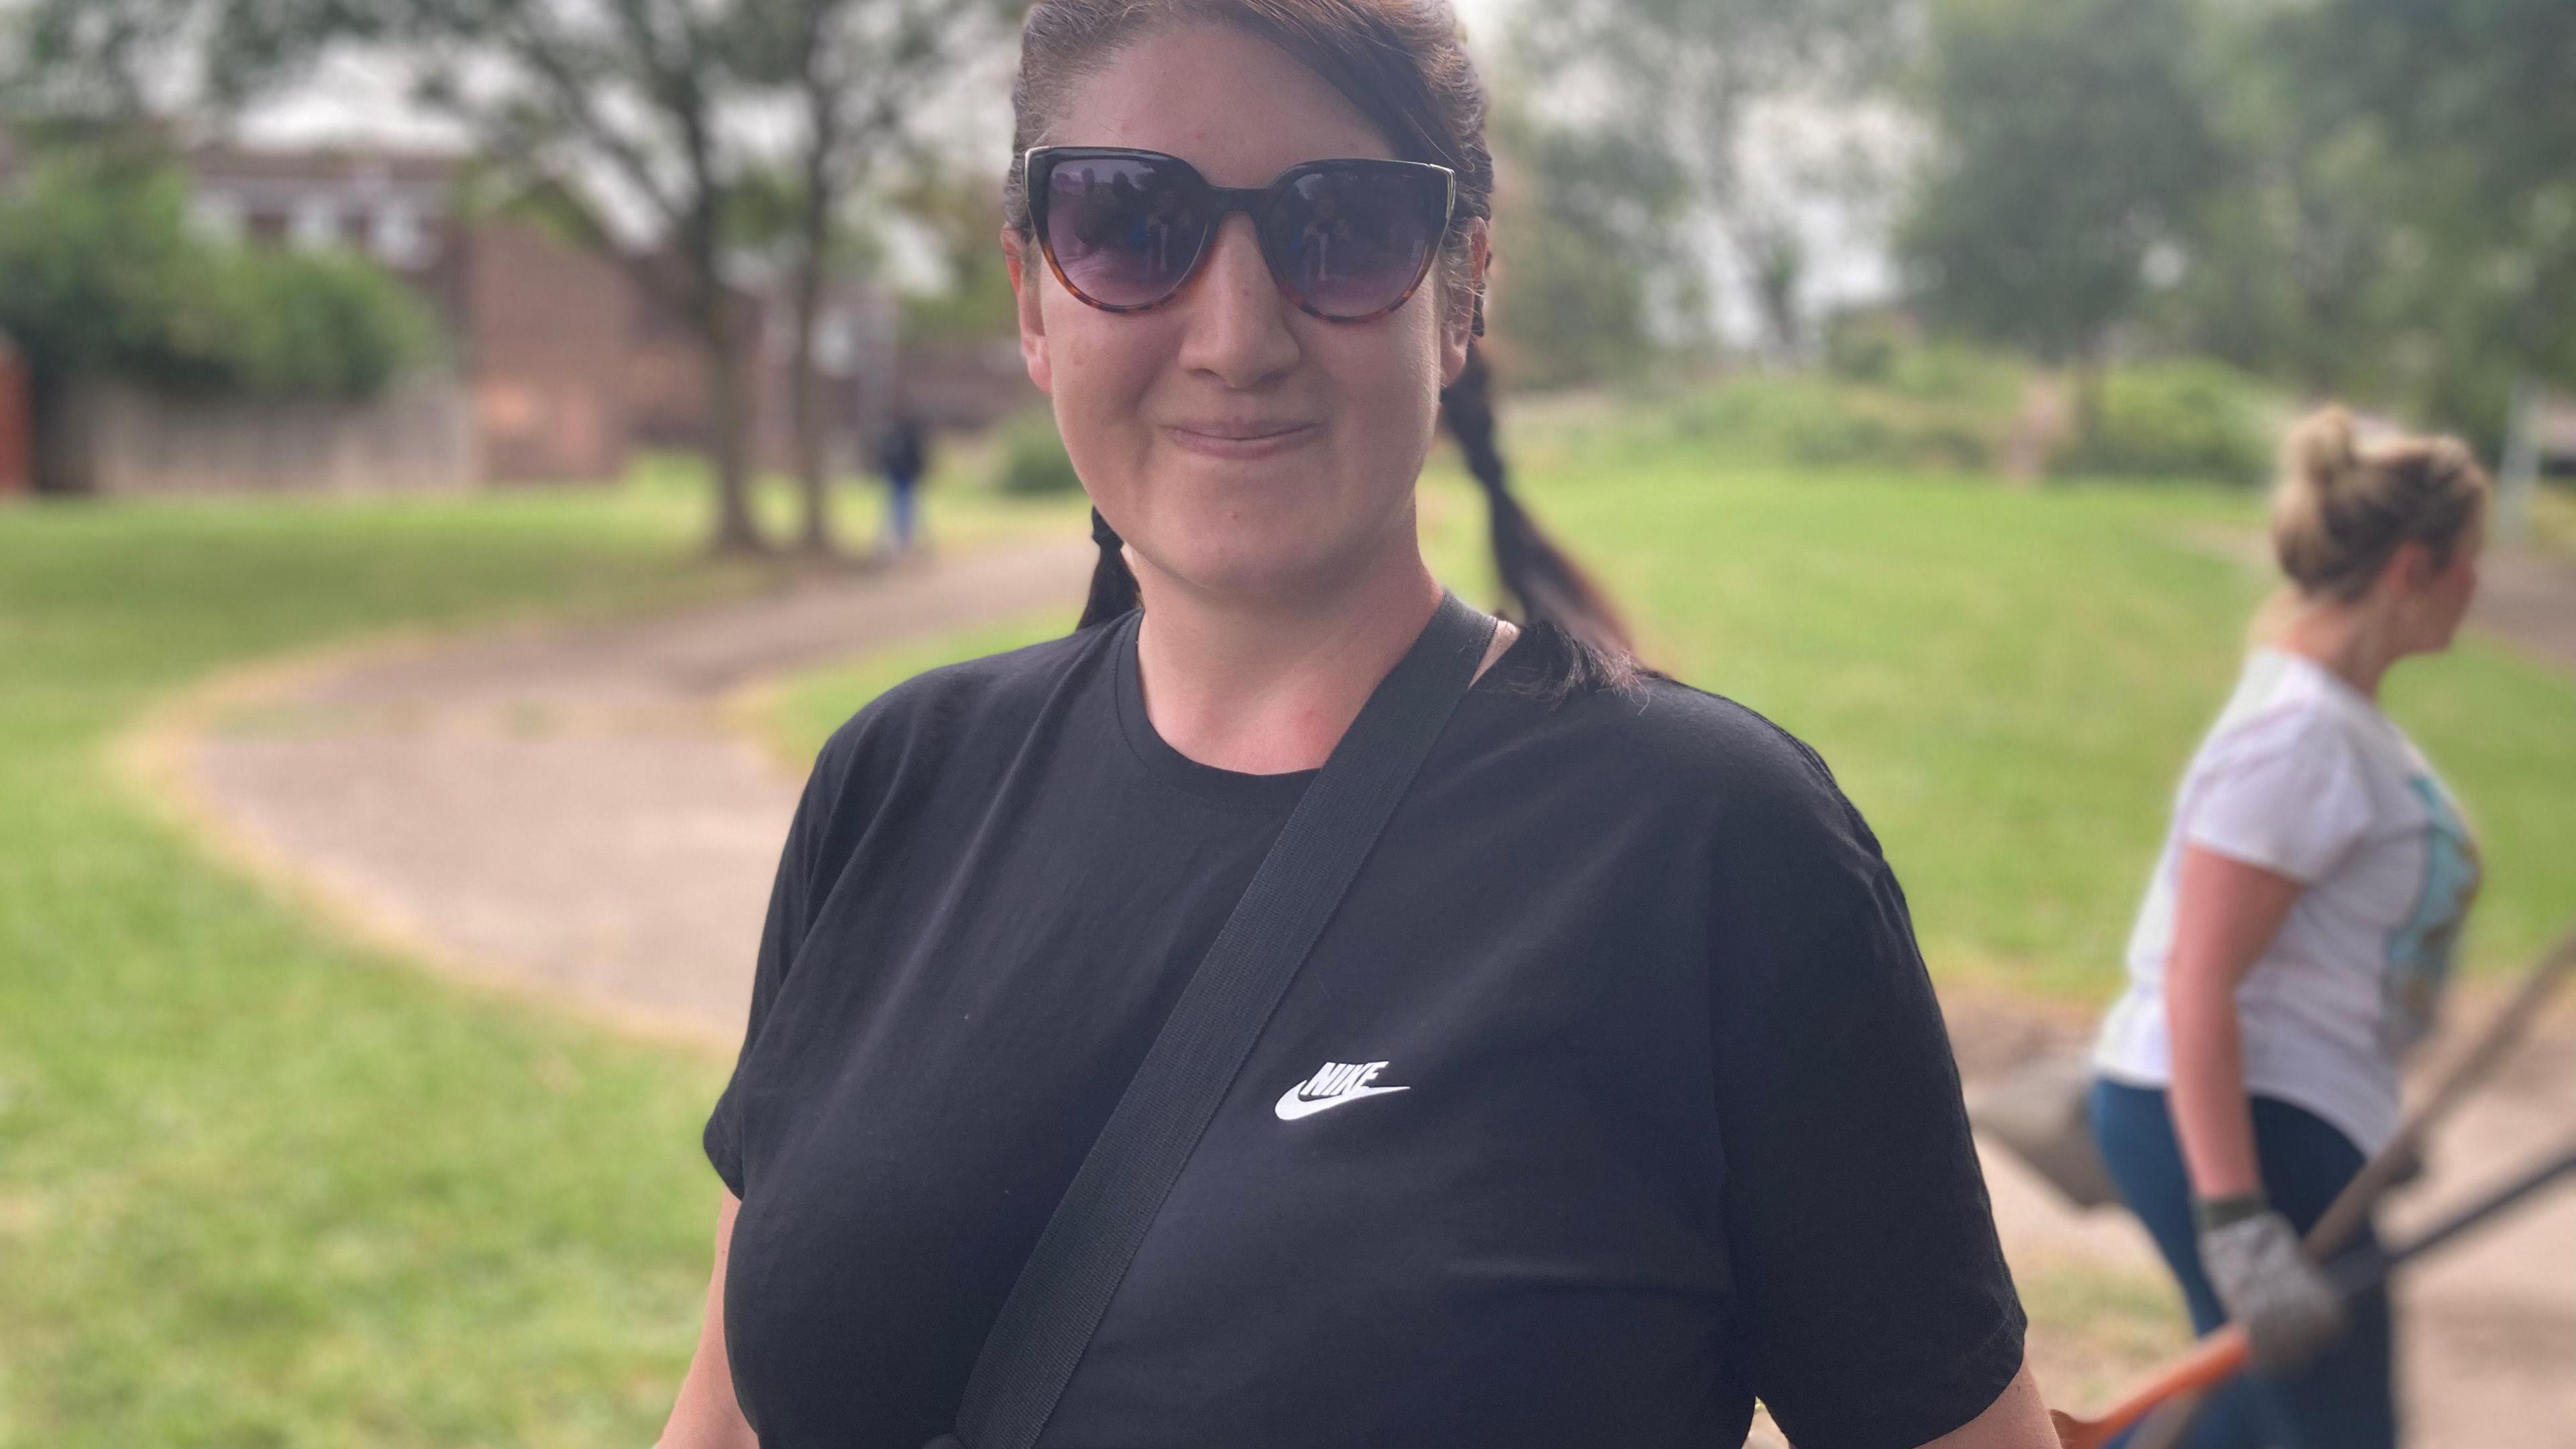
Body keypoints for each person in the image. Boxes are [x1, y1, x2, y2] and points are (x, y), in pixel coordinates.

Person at [658, 3, 2053, 1446]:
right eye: (1134, 225)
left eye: (1345, 228)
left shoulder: (1717, 849)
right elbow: (727, 1416)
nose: (1238, 333)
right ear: (1031, 295)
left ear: (1462, 296)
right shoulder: (895, 785)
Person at [2088, 407, 2490, 1448]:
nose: (2478, 587)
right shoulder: (2300, 737)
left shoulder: (2338, 722)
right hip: (2239, 1131)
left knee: (2247, 1428)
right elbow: (2197, 978)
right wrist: (2237, 1222)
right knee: (2332, 1431)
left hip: (2286, 1121)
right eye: (2470, 562)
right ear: (2414, 566)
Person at [877, 413, 930, 559]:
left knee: (909, 512)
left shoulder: (907, 439)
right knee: (897, 513)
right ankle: (898, 543)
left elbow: (918, 459)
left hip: (907, 481)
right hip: (896, 480)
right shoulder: (894, 438)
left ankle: (907, 542)